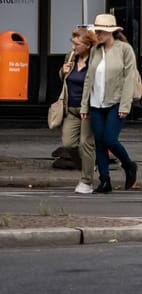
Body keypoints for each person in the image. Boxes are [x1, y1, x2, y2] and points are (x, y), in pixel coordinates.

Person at [81, 13, 141, 193]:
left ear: (111, 32)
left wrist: (125, 105)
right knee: (99, 142)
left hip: (115, 102)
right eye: (96, 31)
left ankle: (129, 165)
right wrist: (85, 104)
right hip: (96, 103)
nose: (97, 35)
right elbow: (89, 78)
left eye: (101, 32)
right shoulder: (94, 51)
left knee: (109, 139)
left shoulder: (124, 49)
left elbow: (130, 78)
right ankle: (105, 180)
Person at [54, 26, 97, 193]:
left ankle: (86, 181)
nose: (73, 48)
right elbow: (65, 80)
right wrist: (62, 72)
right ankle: (87, 168)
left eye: (77, 44)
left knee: (85, 143)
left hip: (88, 108)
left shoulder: (95, 59)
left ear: (87, 45)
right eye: (73, 44)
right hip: (71, 108)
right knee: (69, 144)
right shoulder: (70, 57)